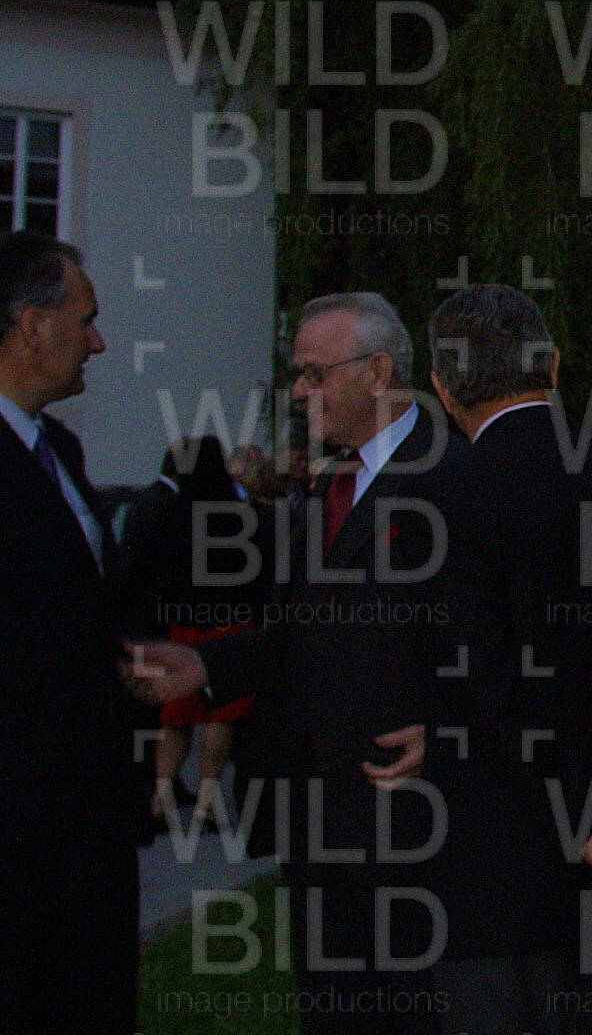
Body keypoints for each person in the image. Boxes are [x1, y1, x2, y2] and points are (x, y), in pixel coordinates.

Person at [382, 283, 592, 1031]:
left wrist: (574, 810)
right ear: (553, 364)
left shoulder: (436, 501)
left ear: (442, 387)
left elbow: (480, 680)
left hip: (491, 853)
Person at [128, 291, 457, 1032]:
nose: (300, 392)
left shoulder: (455, 479)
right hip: (318, 830)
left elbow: (513, 641)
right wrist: (207, 667)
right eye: (296, 375)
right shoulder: (327, 487)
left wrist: (448, 727)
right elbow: (305, 629)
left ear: (377, 372)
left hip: (418, 835)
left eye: (314, 373)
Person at [0, 231, 136, 1035]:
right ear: (32, 326)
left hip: (86, 830)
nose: (99, 343)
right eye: (86, 321)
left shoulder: (60, 450)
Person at [120, 434, 266, 823]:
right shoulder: (239, 512)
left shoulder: (174, 509)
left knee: (176, 715)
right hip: (230, 620)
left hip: (184, 622)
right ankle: (206, 800)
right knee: (221, 716)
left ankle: (161, 796)